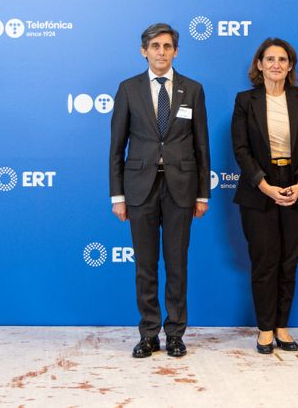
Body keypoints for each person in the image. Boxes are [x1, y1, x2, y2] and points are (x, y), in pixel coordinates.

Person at [109, 23, 210, 358]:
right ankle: (149, 333)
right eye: (155, 46)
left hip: (181, 189)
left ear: (176, 51)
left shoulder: (192, 89)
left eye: (167, 46)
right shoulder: (128, 89)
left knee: (177, 264)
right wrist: (117, 196)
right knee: (146, 265)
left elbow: (202, 146)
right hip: (139, 190)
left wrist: (202, 194)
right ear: (144, 51)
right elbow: (116, 147)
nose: (161, 52)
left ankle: (176, 334)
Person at [232, 38, 298, 354]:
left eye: (283, 59)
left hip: (296, 186)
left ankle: (283, 327)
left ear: (290, 65)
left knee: (288, 263)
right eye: (269, 59)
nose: (276, 64)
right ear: (259, 64)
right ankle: (265, 329)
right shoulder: (245, 101)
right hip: (259, 190)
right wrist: (263, 185)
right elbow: (240, 149)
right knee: (265, 262)